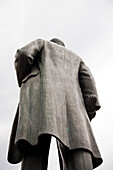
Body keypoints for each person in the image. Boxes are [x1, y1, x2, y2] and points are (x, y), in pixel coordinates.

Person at [8, 38, 103, 170]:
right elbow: (90, 91)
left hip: (39, 99)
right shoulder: (76, 59)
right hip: (73, 107)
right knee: (79, 147)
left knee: (33, 146)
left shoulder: (42, 43)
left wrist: (25, 80)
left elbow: (23, 54)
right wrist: (87, 114)